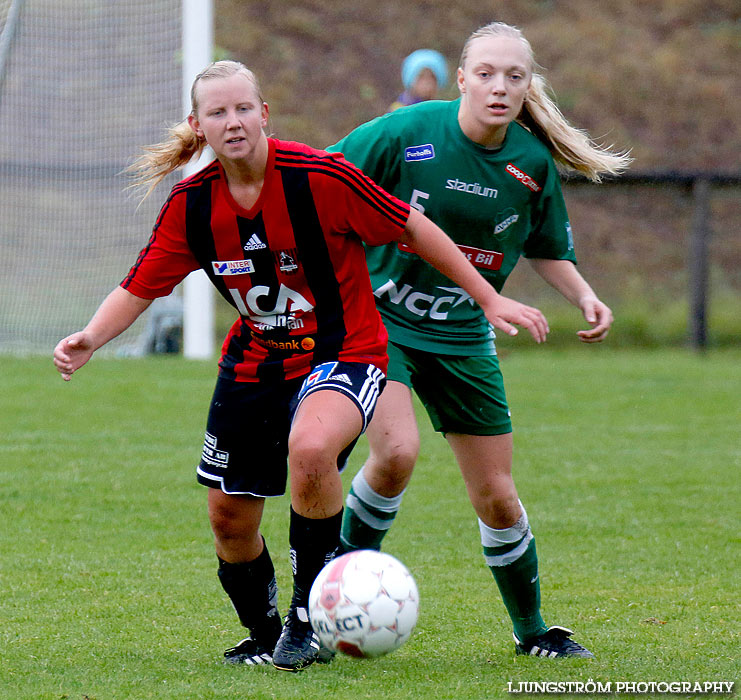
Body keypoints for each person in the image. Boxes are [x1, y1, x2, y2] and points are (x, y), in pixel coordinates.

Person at [53, 60, 550, 672]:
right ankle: (263, 632)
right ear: (198, 126)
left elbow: (414, 227)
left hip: (343, 351)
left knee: (312, 449)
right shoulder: (190, 205)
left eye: (243, 109)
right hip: (255, 360)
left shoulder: (320, 176)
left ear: (264, 115)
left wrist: (489, 295)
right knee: (228, 519)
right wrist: (91, 338)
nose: (232, 122)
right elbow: (141, 286)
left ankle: (307, 619)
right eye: (217, 113)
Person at [328, 21, 632, 658]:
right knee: (396, 454)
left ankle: (533, 633)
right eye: (486, 73)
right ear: (461, 77)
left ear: (528, 86)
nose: (499, 87)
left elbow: (549, 250)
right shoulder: (403, 134)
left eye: (514, 76)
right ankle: (334, 603)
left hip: (465, 334)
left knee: (497, 496)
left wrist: (583, 295)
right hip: (381, 323)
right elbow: (319, 185)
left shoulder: (530, 164)